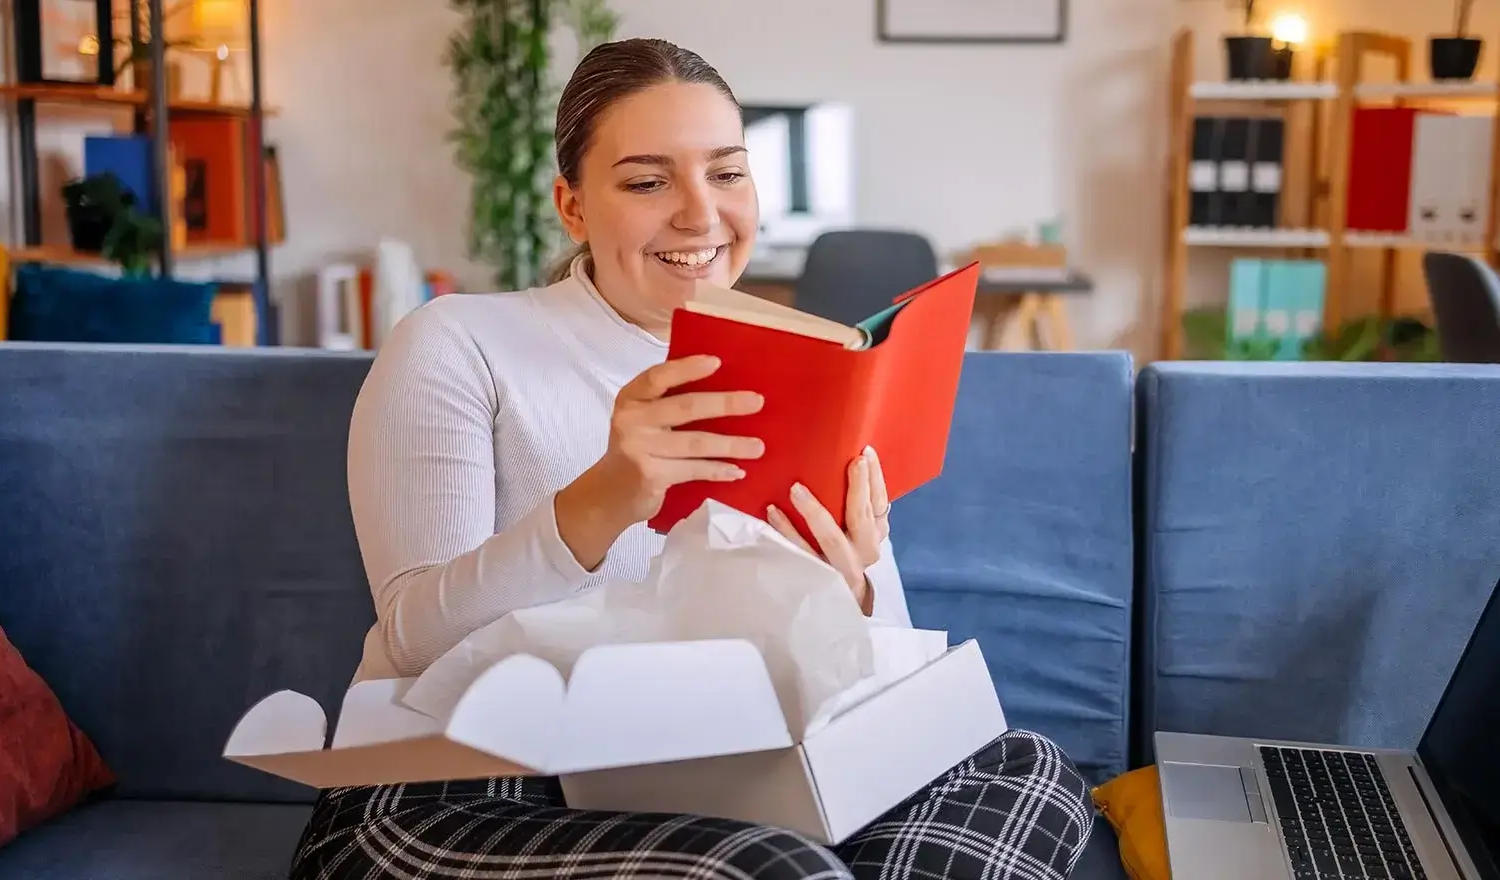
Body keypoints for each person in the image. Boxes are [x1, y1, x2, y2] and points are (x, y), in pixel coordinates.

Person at [289, 36, 1095, 880]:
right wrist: (600, 501)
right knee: (772, 869)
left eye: (727, 172)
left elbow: (874, 663)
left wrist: (849, 581)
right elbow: (415, 639)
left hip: (718, 773)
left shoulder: (803, 362)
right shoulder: (460, 342)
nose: (700, 214)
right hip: (461, 782)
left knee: (1030, 767)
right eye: (646, 181)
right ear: (572, 206)